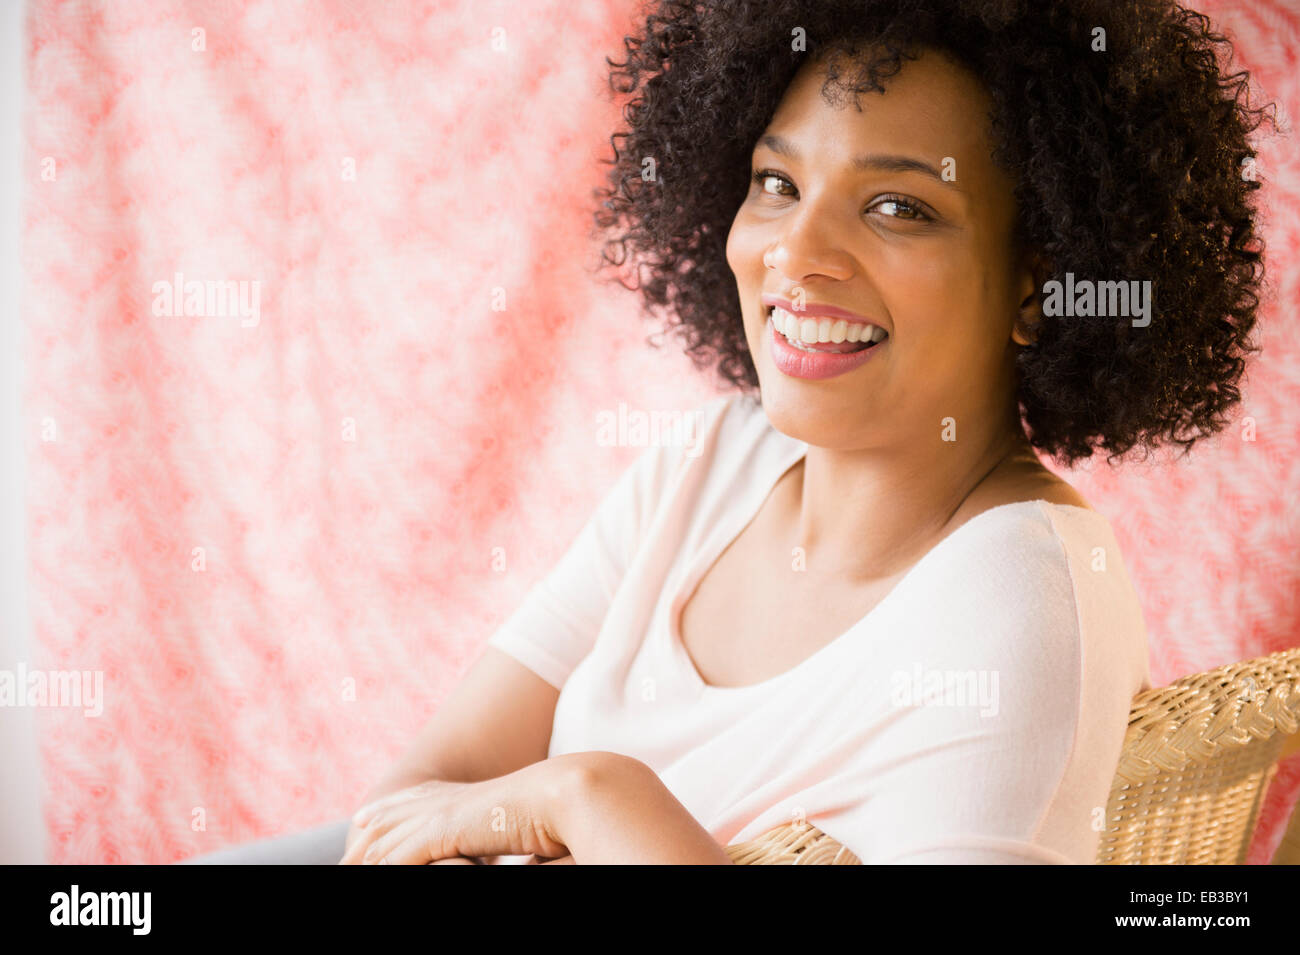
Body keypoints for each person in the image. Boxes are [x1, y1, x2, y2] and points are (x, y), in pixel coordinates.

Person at [186, 0, 1267, 865]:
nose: (798, 254)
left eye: (898, 207)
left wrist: (589, 794)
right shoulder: (713, 460)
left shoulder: (1021, 599)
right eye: (776, 183)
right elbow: (414, 799)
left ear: (1039, 284)